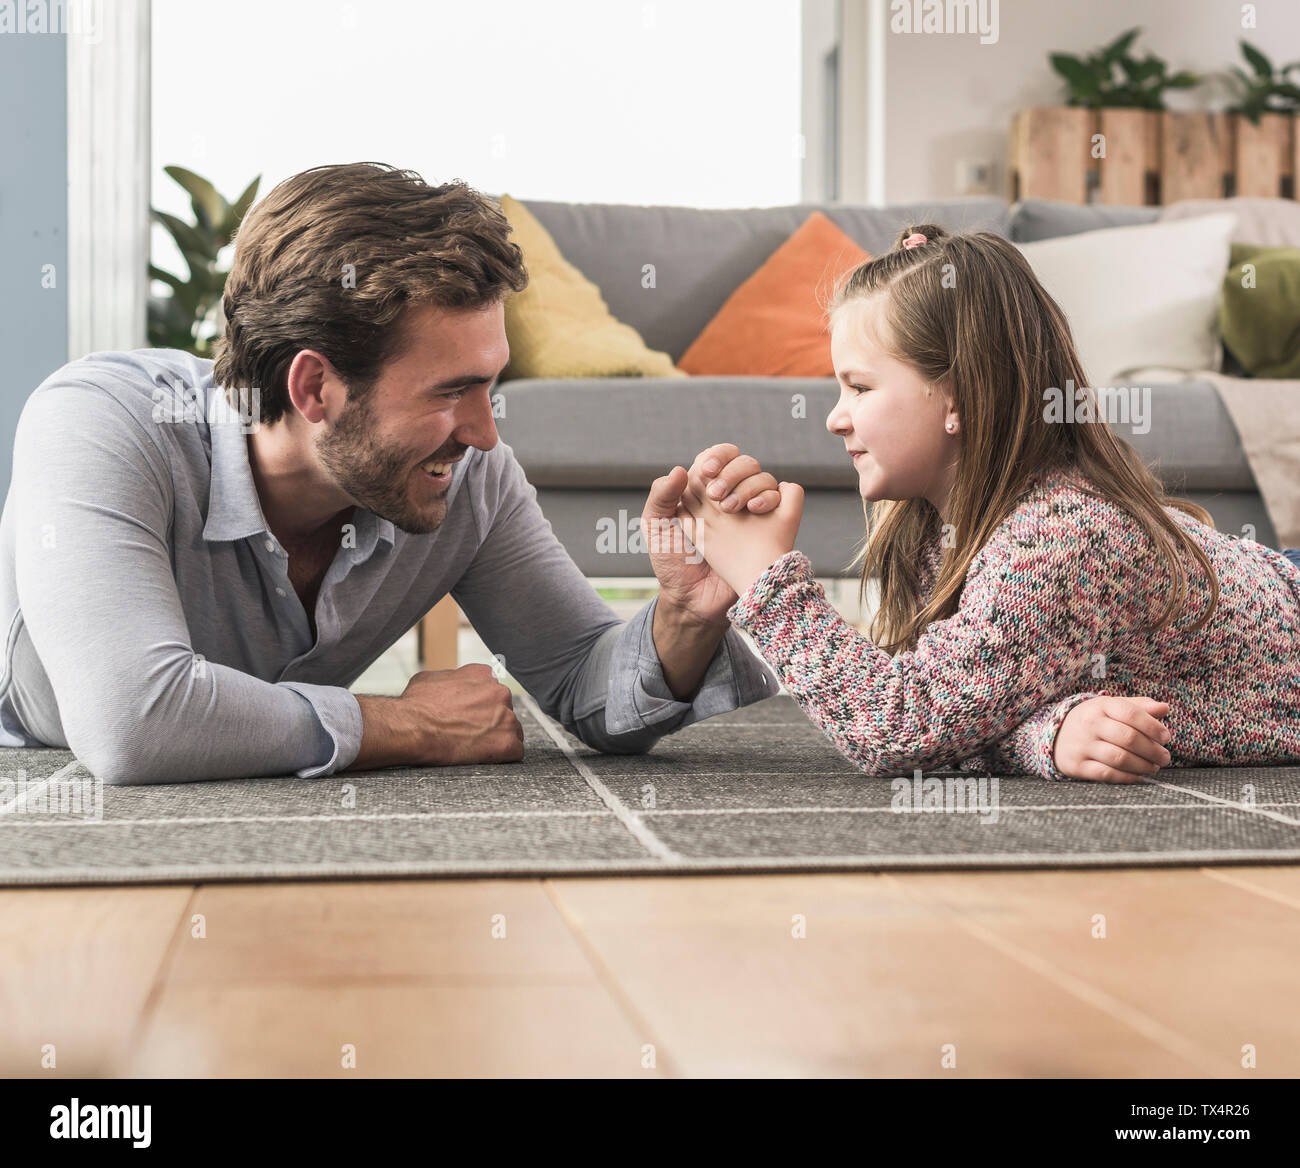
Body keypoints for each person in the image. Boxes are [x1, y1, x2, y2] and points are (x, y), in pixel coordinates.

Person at [0, 162, 786, 785]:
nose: (484, 433)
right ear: (314, 388)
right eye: (451, 392)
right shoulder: (103, 424)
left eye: (490, 385)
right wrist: (406, 726)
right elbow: (131, 723)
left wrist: (685, 616)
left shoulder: (471, 477)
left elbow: (585, 683)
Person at [677, 224, 1300, 783]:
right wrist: (1047, 734)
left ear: (957, 397)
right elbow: (966, 711)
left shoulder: (1058, 538)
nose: (836, 418)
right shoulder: (938, 524)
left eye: (860, 387)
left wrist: (766, 581)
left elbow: (903, 727)